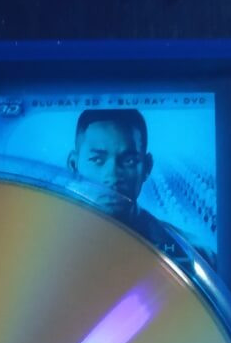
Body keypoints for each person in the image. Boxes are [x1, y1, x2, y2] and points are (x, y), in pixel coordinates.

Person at [68, 108, 215, 265]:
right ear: (73, 165)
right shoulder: (51, 244)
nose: (112, 175)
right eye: (97, 160)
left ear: (147, 167)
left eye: (129, 161)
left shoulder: (196, 256)